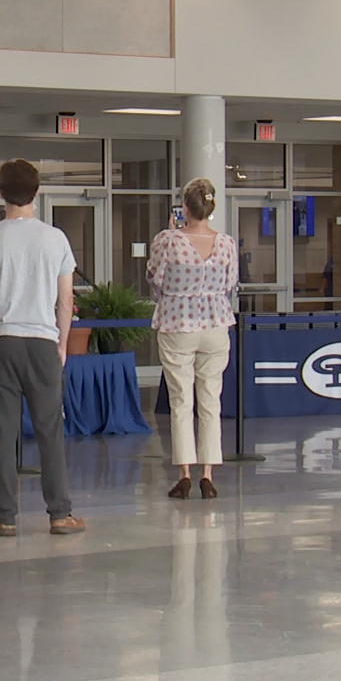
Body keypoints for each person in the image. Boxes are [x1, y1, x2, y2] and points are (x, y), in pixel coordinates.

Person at [0, 159, 85, 537]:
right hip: (43, 344)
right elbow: (65, 300)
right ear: (37, 192)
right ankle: (60, 514)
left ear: (0, 193)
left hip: (0, 344)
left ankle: (4, 517)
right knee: (50, 430)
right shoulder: (56, 239)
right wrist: (62, 344)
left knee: (0, 434)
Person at [147, 178, 238, 500]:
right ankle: (208, 474)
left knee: (181, 401)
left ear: (184, 207)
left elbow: (154, 278)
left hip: (178, 323)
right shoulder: (226, 243)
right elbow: (230, 283)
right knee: (211, 400)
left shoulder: (168, 240)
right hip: (216, 324)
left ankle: (184, 472)